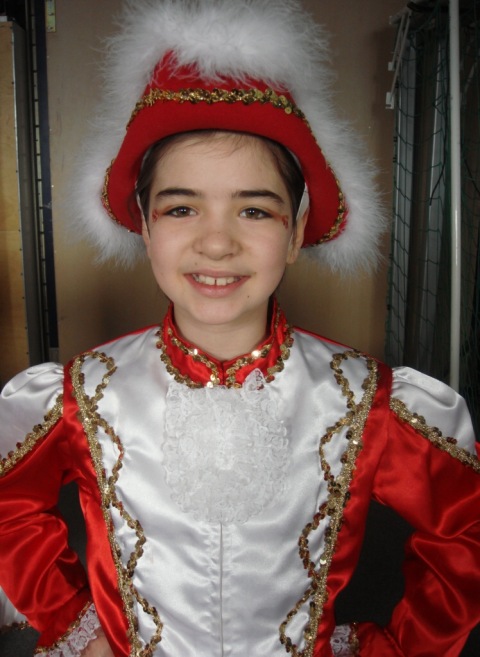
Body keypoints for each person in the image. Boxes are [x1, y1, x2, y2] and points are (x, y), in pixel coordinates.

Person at [0, 1, 479, 656]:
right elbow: (10, 506)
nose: (217, 242)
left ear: (296, 232)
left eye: (254, 210)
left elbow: (464, 532)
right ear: (144, 226)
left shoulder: (366, 401)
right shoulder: (83, 394)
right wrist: (72, 620)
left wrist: (399, 647)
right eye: (181, 208)